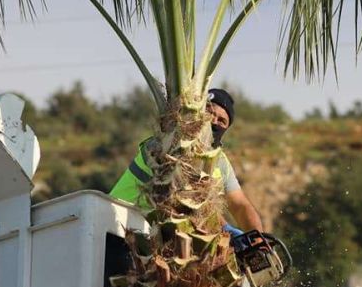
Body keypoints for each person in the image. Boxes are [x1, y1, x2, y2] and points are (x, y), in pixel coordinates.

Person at [109, 88, 264, 236]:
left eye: (222, 121)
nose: (214, 121)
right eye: (209, 112)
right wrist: (226, 230)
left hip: (151, 236)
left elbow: (240, 205)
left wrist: (258, 239)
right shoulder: (167, 144)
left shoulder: (220, 160)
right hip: (115, 223)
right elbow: (185, 198)